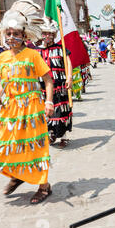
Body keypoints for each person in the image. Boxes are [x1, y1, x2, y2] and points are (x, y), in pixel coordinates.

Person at [0, 0, 54, 204]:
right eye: (9, 33)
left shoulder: (33, 55)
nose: (12, 37)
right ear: (4, 34)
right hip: (11, 108)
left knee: (36, 146)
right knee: (3, 144)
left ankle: (44, 186)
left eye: (16, 33)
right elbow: (4, 80)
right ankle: (17, 175)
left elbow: (48, 80)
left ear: (24, 35)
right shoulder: (3, 57)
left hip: (32, 107)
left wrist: (48, 103)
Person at [37, 18, 73, 147]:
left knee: (61, 112)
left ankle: (63, 136)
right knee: (46, 112)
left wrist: (69, 77)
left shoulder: (61, 48)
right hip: (43, 87)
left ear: (54, 35)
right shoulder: (37, 51)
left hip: (60, 85)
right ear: (41, 35)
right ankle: (51, 134)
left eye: (50, 34)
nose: (48, 36)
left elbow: (68, 62)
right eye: (45, 33)